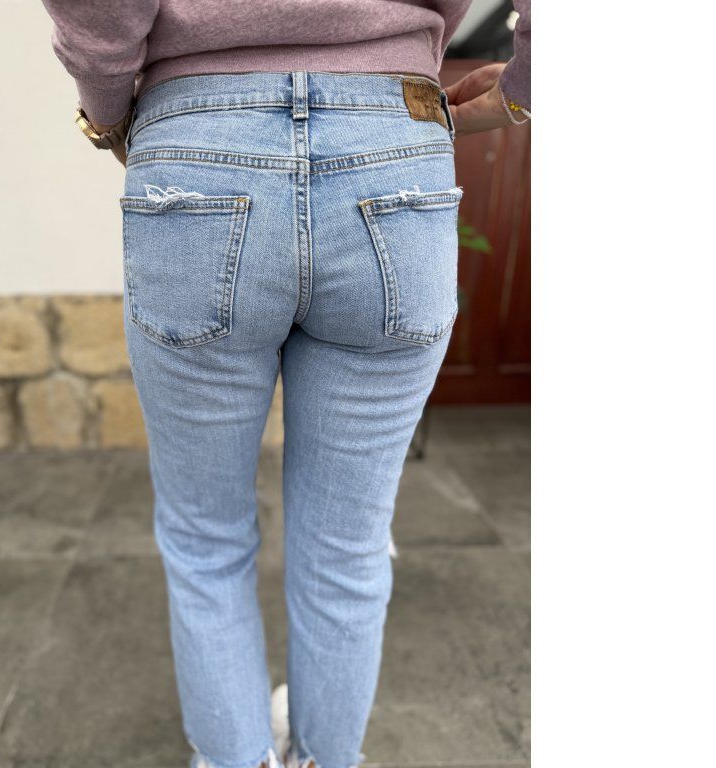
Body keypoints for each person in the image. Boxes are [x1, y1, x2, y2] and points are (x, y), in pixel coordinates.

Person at [36, 3, 530, 767]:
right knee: (349, 543)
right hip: (392, 145)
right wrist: (521, 92)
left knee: (205, 536)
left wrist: (107, 115)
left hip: (199, 141)